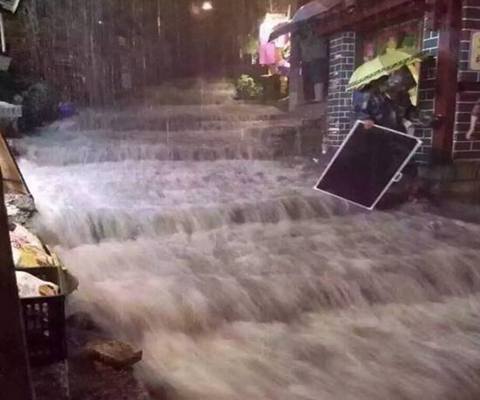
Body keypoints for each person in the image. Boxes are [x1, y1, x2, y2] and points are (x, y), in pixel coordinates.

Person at [353, 67, 420, 202]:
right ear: (392, 83)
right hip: (377, 135)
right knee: (376, 165)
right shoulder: (370, 92)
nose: (402, 91)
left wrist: (422, 118)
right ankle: (371, 194)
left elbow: (409, 112)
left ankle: (409, 193)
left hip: (396, 134)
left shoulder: (403, 97)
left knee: (408, 162)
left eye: (405, 88)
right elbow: (360, 110)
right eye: (400, 87)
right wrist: (365, 118)